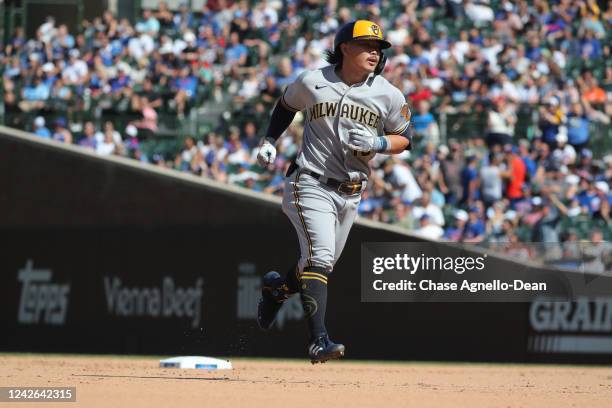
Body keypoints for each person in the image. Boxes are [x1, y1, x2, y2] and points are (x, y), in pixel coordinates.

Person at [256, 20, 411, 363]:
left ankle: (277, 290)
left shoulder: (387, 93)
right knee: (320, 258)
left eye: (379, 48)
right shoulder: (313, 81)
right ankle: (318, 341)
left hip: (352, 192)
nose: (375, 52)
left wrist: (378, 142)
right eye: (368, 46)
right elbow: (286, 105)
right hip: (309, 180)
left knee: (317, 263)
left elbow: (404, 138)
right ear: (345, 48)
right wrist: (269, 140)